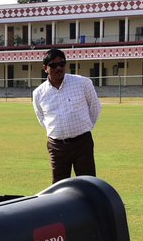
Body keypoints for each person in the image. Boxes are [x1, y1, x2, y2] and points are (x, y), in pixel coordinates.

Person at [32, 48, 102, 183]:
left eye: (62, 64)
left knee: (88, 184)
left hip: (82, 144)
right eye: (53, 65)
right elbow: (41, 118)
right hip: (57, 147)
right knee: (59, 186)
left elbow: (95, 108)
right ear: (45, 68)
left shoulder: (82, 83)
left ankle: (89, 205)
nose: (58, 68)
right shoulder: (39, 93)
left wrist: (85, 127)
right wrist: (58, 131)